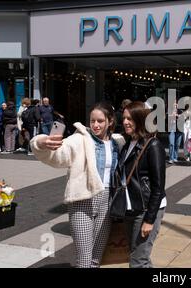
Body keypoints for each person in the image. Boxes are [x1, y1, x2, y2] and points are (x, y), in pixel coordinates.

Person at [30, 102, 124, 267]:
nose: (95, 125)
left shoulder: (118, 142)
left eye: (100, 121)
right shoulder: (79, 139)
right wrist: (42, 142)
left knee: (96, 257)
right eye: (92, 120)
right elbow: (58, 155)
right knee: (84, 258)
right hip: (82, 201)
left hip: (107, 202)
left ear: (110, 121)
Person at [116, 101, 166, 268]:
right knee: (139, 256)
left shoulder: (153, 145)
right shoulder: (127, 144)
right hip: (131, 208)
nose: (125, 122)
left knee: (137, 261)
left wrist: (149, 219)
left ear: (140, 119)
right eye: (123, 118)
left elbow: (158, 188)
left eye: (130, 118)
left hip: (146, 209)